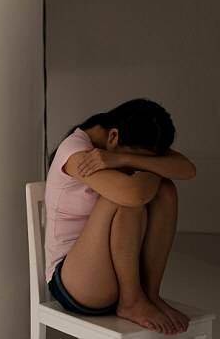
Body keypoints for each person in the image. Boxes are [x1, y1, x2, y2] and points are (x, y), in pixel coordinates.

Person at [44, 98, 196, 335]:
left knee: (165, 191)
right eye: (130, 155)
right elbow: (134, 195)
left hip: (116, 268)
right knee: (123, 199)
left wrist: (124, 159)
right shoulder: (74, 152)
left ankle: (149, 295)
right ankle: (131, 301)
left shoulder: (119, 141)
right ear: (113, 136)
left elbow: (187, 169)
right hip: (76, 280)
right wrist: (153, 167)